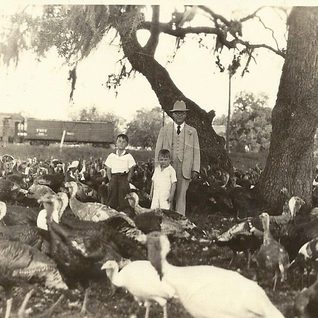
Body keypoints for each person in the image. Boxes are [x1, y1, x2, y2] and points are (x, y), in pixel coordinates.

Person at [155, 100, 200, 215]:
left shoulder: (192, 131)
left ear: (185, 114)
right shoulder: (164, 130)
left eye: (182, 113)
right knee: (166, 193)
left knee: (181, 196)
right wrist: (157, 167)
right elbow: (158, 150)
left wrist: (195, 169)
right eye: (177, 113)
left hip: (184, 168)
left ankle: (180, 221)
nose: (179, 115)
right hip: (167, 167)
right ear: (173, 114)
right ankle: (166, 218)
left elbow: (196, 151)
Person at [105, 134, 136, 211]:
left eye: (124, 142)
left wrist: (127, 180)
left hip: (123, 177)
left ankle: (124, 211)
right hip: (114, 177)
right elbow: (108, 169)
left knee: (123, 193)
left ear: (126, 144)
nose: (121, 143)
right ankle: (111, 210)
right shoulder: (111, 155)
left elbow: (131, 169)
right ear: (116, 143)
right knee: (112, 192)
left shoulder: (128, 156)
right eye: (119, 141)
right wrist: (110, 179)